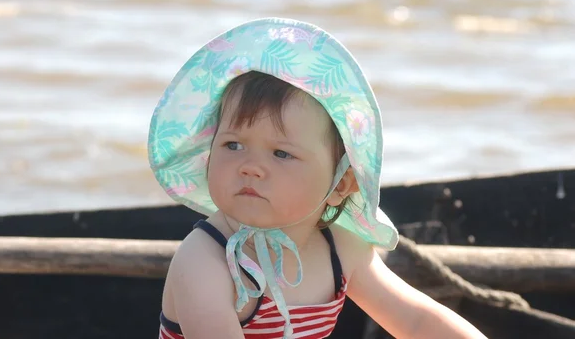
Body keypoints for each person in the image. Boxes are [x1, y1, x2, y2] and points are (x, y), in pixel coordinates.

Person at [148, 18, 486, 339]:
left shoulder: (339, 248)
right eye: (232, 145)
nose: (250, 166)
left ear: (340, 185)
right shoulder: (205, 259)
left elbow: (416, 322)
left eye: (281, 153)